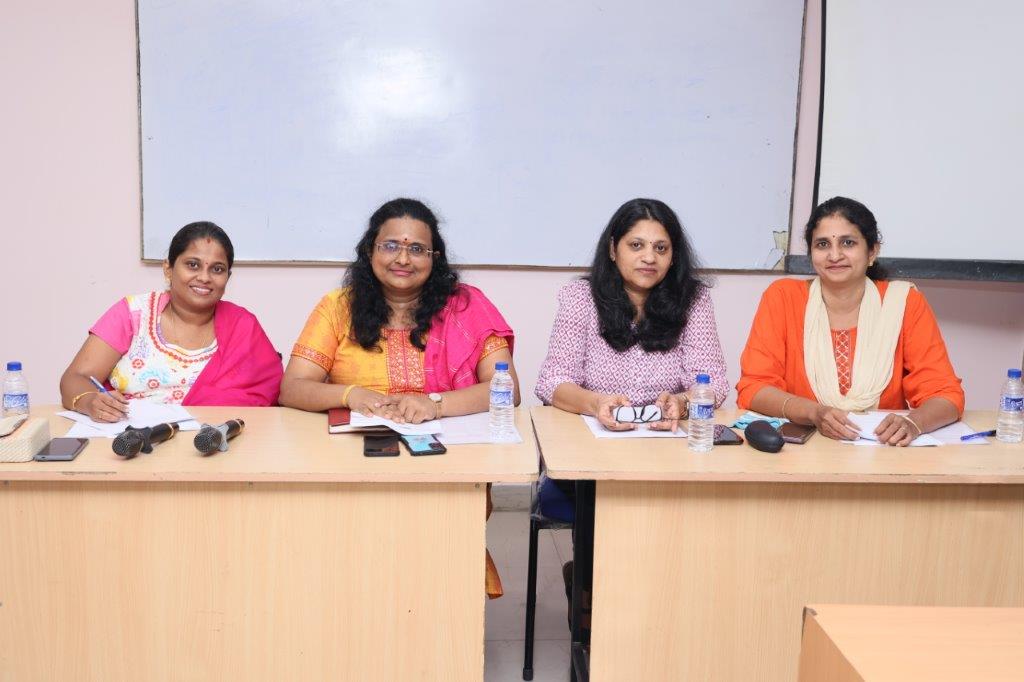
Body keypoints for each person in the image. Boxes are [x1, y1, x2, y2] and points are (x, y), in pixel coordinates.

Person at [278, 197, 519, 598]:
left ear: (434, 258)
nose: (403, 258)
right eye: (390, 245)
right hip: (353, 470)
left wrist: (435, 404)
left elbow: (506, 389)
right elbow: (293, 387)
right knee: (357, 579)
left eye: (417, 248)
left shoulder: (465, 306)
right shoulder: (338, 308)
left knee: (438, 575)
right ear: (370, 250)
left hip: (446, 465)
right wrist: (351, 394)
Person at [736, 196, 964, 445]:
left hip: (884, 450)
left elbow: (945, 394)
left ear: (872, 251)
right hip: (803, 450)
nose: (834, 255)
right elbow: (754, 387)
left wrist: (914, 423)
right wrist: (813, 412)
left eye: (848, 242)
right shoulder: (783, 298)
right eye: (822, 244)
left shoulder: (903, 302)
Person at [535, 197, 728, 433]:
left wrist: (682, 404)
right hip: (592, 437)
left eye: (661, 248)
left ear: (673, 256)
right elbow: (553, 382)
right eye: (636, 245)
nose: (649, 258)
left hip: (667, 439)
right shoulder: (581, 297)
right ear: (613, 249)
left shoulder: (693, 300)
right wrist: (597, 404)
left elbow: (713, 383)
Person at [60, 222, 283, 419]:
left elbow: (266, 393)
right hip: (130, 440)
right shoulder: (133, 313)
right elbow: (75, 378)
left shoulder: (243, 325)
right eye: (193, 265)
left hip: (211, 442)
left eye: (217, 269)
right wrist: (90, 402)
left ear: (228, 277)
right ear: (168, 269)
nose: (204, 277)